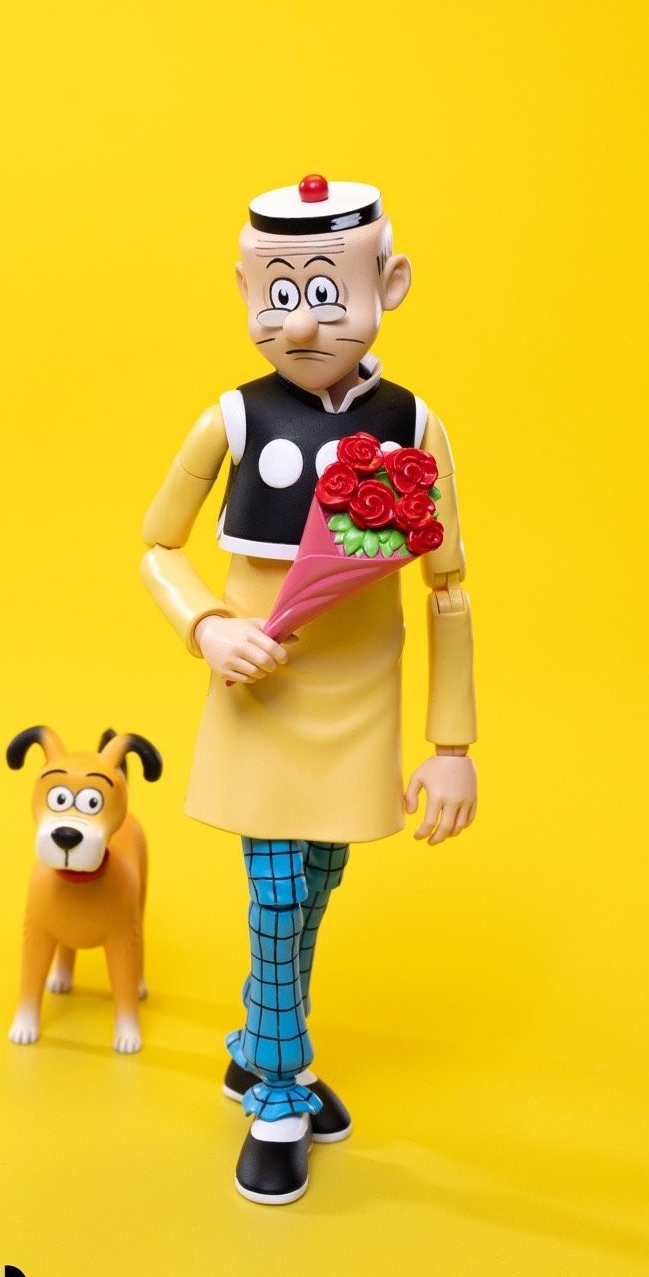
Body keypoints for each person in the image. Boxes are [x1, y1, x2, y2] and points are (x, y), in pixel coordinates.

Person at [141, 175, 477, 1204]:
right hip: (263, 692)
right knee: (279, 900)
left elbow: (448, 589)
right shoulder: (232, 419)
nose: (299, 322)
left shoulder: (415, 424)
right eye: (277, 294)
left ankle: (256, 1040)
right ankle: (280, 1094)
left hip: (360, 695)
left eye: (325, 291)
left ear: (391, 284)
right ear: (245, 291)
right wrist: (208, 625)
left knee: (317, 884)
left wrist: (452, 746)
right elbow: (157, 545)